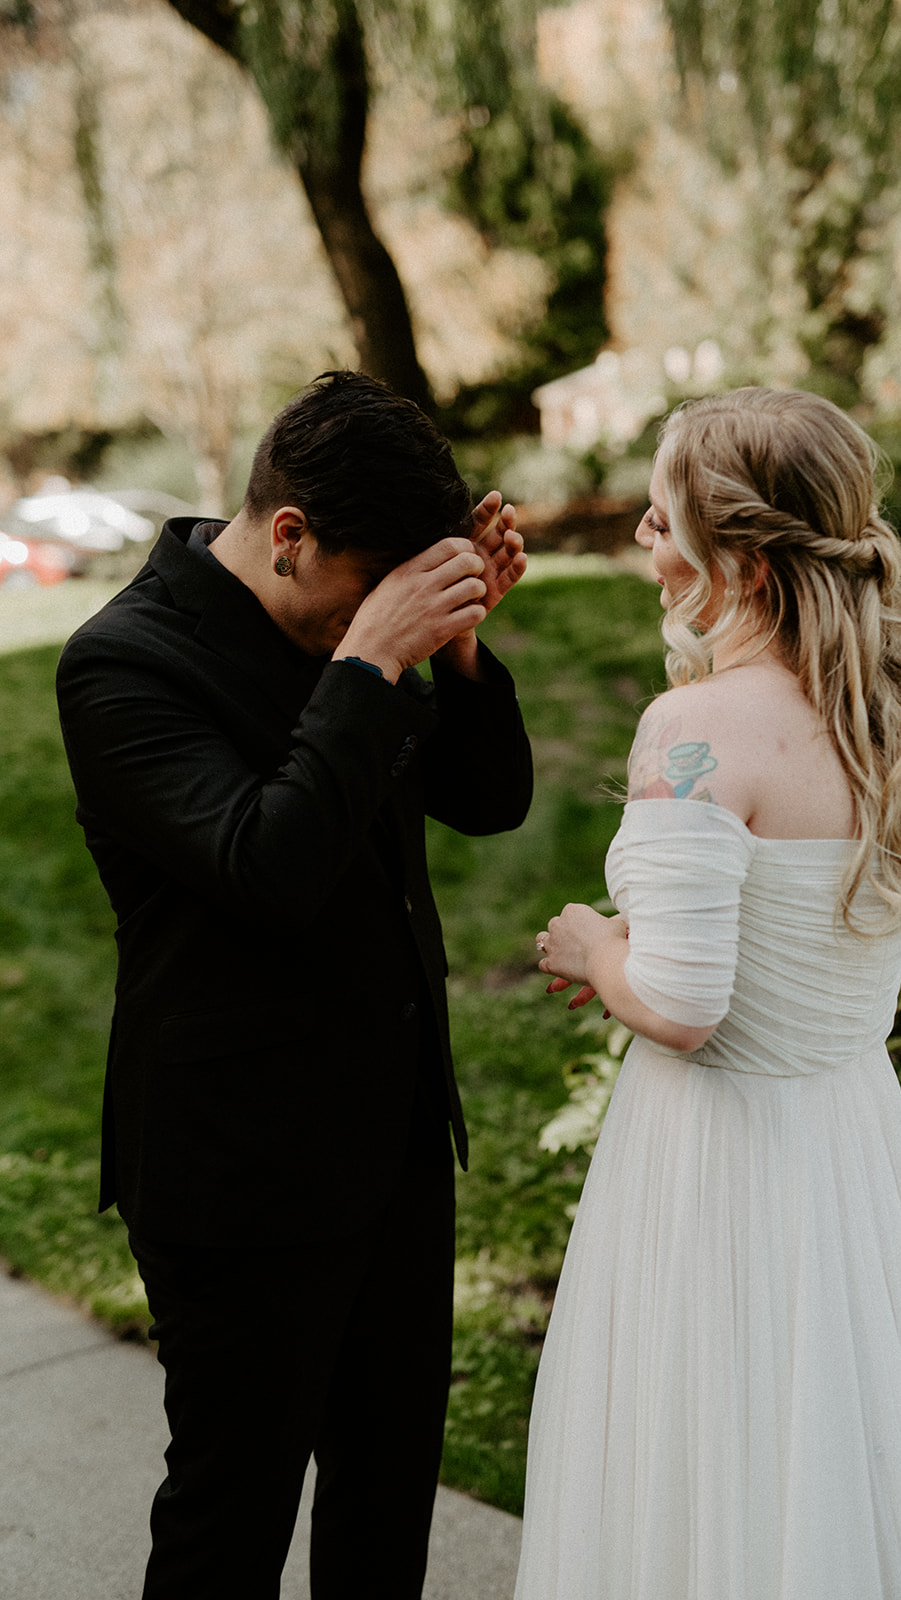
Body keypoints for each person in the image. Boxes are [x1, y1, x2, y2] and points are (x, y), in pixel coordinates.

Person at [518, 386, 901, 1600]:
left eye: (660, 524)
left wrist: (593, 947)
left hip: (717, 1169)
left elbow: (686, 1002)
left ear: (745, 565)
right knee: (846, 1452)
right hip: (849, 1154)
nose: (641, 546)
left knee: (708, 1456)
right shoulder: (876, 725)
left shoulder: (694, 729)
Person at [55, 370, 533, 1600]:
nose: (378, 621)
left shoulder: (352, 629)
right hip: (237, 1170)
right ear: (287, 534)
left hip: (397, 1148)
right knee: (231, 1515)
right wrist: (369, 665)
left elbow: (488, 803)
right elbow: (267, 868)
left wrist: (458, 650)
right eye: (369, 589)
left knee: (386, 1507)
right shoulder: (121, 664)